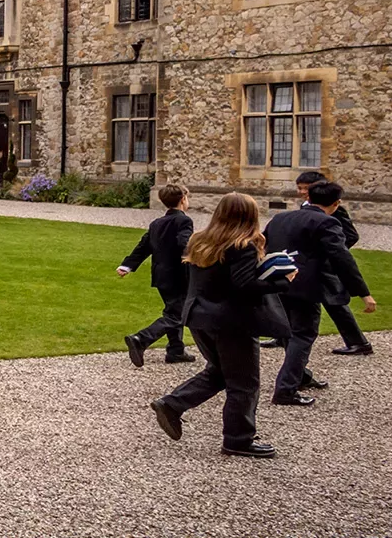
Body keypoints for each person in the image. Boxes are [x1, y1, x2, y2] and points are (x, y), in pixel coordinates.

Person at [150, 192, 297, 459]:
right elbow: (244, 285)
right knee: (245, 383)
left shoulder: (201, 240)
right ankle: (238, 440)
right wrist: (283, 280)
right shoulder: (243, 245)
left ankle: (172, 404)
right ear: (249, 216)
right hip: (231, 322)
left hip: (200, 317)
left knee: (219, 372)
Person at [262, 180, 374, 405]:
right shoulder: (327, 223)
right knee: (302, 335)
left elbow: (262, 245)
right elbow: (343, 259)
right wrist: (363, 293)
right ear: (336, 203)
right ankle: (286, 389)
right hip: (307, 287)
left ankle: (300, 376)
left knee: (287, 332)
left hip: (277, 282)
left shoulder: (280, 218)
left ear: (309, 198)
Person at [118, 182, 196, 367]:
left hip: (161, 276)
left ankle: (175, 350)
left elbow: (144, 246)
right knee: (178, 314)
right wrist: (194, 258)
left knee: (173, 310)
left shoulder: (156, 223)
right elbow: (183, 243)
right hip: (178, 276)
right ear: (183, 199)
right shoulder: (184, 221)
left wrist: (127, 265)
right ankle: (141, 339)